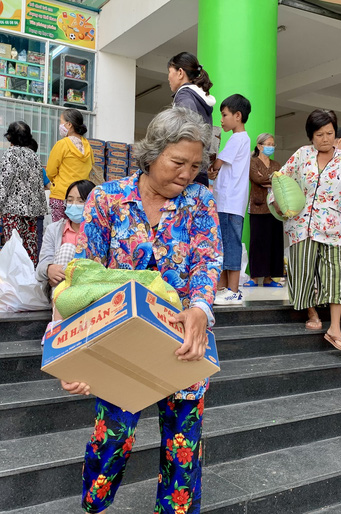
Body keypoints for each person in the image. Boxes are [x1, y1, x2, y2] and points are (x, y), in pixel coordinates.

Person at [60, 107, 222, 513]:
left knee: (183, 447)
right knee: (112, 439)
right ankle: (93, 508)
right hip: (119, 340)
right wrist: (74, 354)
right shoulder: (107, 199)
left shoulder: (200, 201)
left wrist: (200, 308)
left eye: (195, 165)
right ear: (152, 154)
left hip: (182, 338)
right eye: (178, 162)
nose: (187, 174)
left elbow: (207, 260)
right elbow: (84, 277)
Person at [270, 109, 341, 352]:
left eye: (330, 133)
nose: (325, 138)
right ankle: (311, 313)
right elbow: (280, 178)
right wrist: (277, 204)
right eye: (319, 134)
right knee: (303, 273)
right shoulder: (302, 154)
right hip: (301, 227)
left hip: (332, 228)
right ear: (311, 136)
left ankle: (335, 329)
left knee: (334, 277)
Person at [209, 94, 251, 305]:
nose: (222, 120)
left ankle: (233, 290)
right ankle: (225, 289)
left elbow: (218, 162)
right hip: (229, 202)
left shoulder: (238, 138)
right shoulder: (241, 139)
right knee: (225, 244)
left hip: (229, 202)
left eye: (224, 115)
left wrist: (211, 168)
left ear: (237, 115)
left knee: (230, 245)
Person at [0, 121, 48, 266]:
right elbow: (38, 184)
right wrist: (42, 207)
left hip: (13, 211)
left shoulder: (9, 154)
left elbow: (4, 182)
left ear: (10, 137)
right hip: (31, 211)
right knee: (30, 247)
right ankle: (29, 279)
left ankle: (14, 280)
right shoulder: (34, 156)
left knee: (13, 246)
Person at [36, 179, 95, 294]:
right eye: (70, 200)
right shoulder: (54, 230)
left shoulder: (100, 231)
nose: (74, 205)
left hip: (89, 286)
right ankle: (60, 307)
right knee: (67, 249)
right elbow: (40, 268)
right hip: (60, 288)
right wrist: (49, 269)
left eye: (81, 201)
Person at [167, 51, 216, 187]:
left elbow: (187, 132)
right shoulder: (200, 98)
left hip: (185, 171)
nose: (168, 77)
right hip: (197, 167)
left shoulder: (184, 96)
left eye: (170, 72)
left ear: (180, 72)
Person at [244, 133, 284, 287]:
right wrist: (272, 180)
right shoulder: (252, 162)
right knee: (258, 243)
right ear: (260, 146)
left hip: (275, 208)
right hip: (258, 207)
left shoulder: (277, 164)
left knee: (273, 243)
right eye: (267, 144)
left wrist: (268, 180)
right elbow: (257, 179)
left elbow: (281, 181)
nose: (270, 147)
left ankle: (269, 278)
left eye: (272, 144)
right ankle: (254, 277)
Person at [46, 108, 94, 222]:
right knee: (77, 233)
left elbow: (50, 171)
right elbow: (90, 169)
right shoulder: (88, 147)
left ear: (69, 124)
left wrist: (56, 182)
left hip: (61, 196)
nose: (60, 125)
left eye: (61, 121)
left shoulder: (62, 144)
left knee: (59, 233)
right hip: (81, 198)